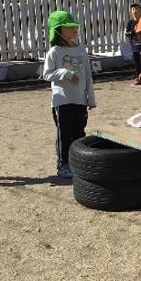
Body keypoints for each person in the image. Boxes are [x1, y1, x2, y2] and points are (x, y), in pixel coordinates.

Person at [43, 10, 96, 179]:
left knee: (79, 133)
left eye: (75, 26)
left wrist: (91, 98)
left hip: (80, 100)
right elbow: (47, 74)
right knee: (64, 134)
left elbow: (87, 75)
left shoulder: (81, 50)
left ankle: (79, 162)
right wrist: (65, 73)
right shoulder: (55, 52)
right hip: (62, 101)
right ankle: (63, 165)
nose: (75, 29)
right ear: (59, 30)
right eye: (70, 27)